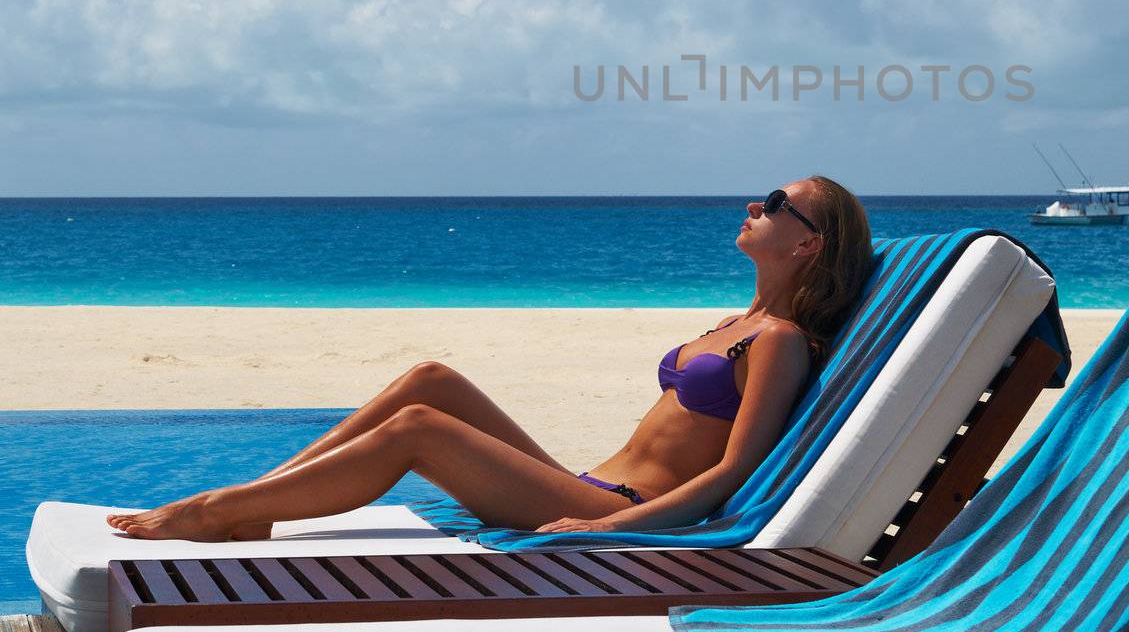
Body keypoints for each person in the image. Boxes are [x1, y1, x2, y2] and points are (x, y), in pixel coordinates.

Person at [107, 178, 874, 543]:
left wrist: (608, 531)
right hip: (586, 482)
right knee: (430, 380)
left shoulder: (775, 343)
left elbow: (732, 474)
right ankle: (259, 498)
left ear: (808, 242)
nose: (753, 206)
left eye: (774, 203)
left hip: (617, 509)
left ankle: (218, 512)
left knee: (419, 427)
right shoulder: (736, 322)